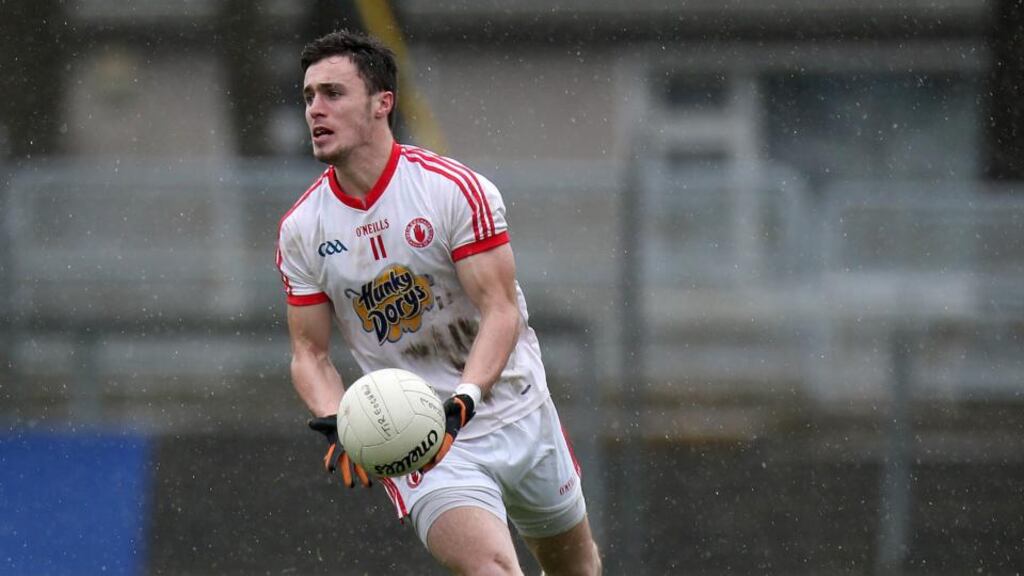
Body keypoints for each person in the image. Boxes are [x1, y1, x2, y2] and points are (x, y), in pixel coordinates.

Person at [276, 29, 602, 575]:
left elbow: (501, 310)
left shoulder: (451, 190)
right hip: (419, 435)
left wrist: (466, 400)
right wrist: (339, 420)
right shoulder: (302, 229)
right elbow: (309, 353)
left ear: (383, 104)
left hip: (516, 406)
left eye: (333, 93)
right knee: (491, 570)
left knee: (578, 567)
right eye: (308, 96)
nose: (315, 109)